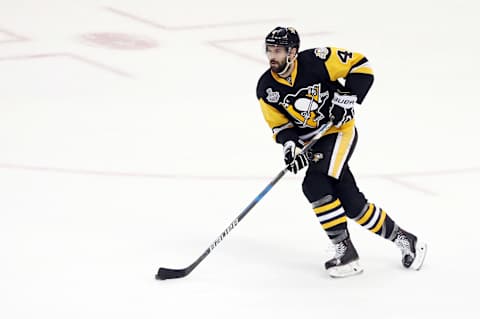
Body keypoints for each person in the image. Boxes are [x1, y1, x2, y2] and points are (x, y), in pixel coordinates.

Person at [256, 26, 427, 278]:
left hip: (338, 132)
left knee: (314, 184)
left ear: (293, 52)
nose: (272, 55)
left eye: (278, 51)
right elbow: (280, 125)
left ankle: (345, 252)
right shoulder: (266, 87)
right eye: (269, 50)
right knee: (352, 203)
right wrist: (291, 147)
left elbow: (361, 66)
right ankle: (405, 239)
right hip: (312, 141)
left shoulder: (317, 60)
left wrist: (347, 97)